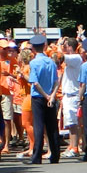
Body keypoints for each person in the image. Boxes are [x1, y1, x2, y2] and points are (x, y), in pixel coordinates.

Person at [27, 34, 60, 165]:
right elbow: (57, 81)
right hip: (51, 96)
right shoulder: (51, 62)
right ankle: (55, 155)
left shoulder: (34, 62)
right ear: (44, 46)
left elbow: (34, 82)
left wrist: (46, 96)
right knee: (52, 126)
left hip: (39, 97)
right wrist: (51, 95)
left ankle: (37, 156)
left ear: (33, 48)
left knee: (39, 126)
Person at [59, 36, 83, 158]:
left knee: (73, 123)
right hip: (68, 94)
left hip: (72, 95)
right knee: (70, 123)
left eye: (66, 45)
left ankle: (75, 147)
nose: (64, 47)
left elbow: (60, 57)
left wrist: (59, 45)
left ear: (70, 46)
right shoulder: (72, 59)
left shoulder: (75, 57)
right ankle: (72, 145)